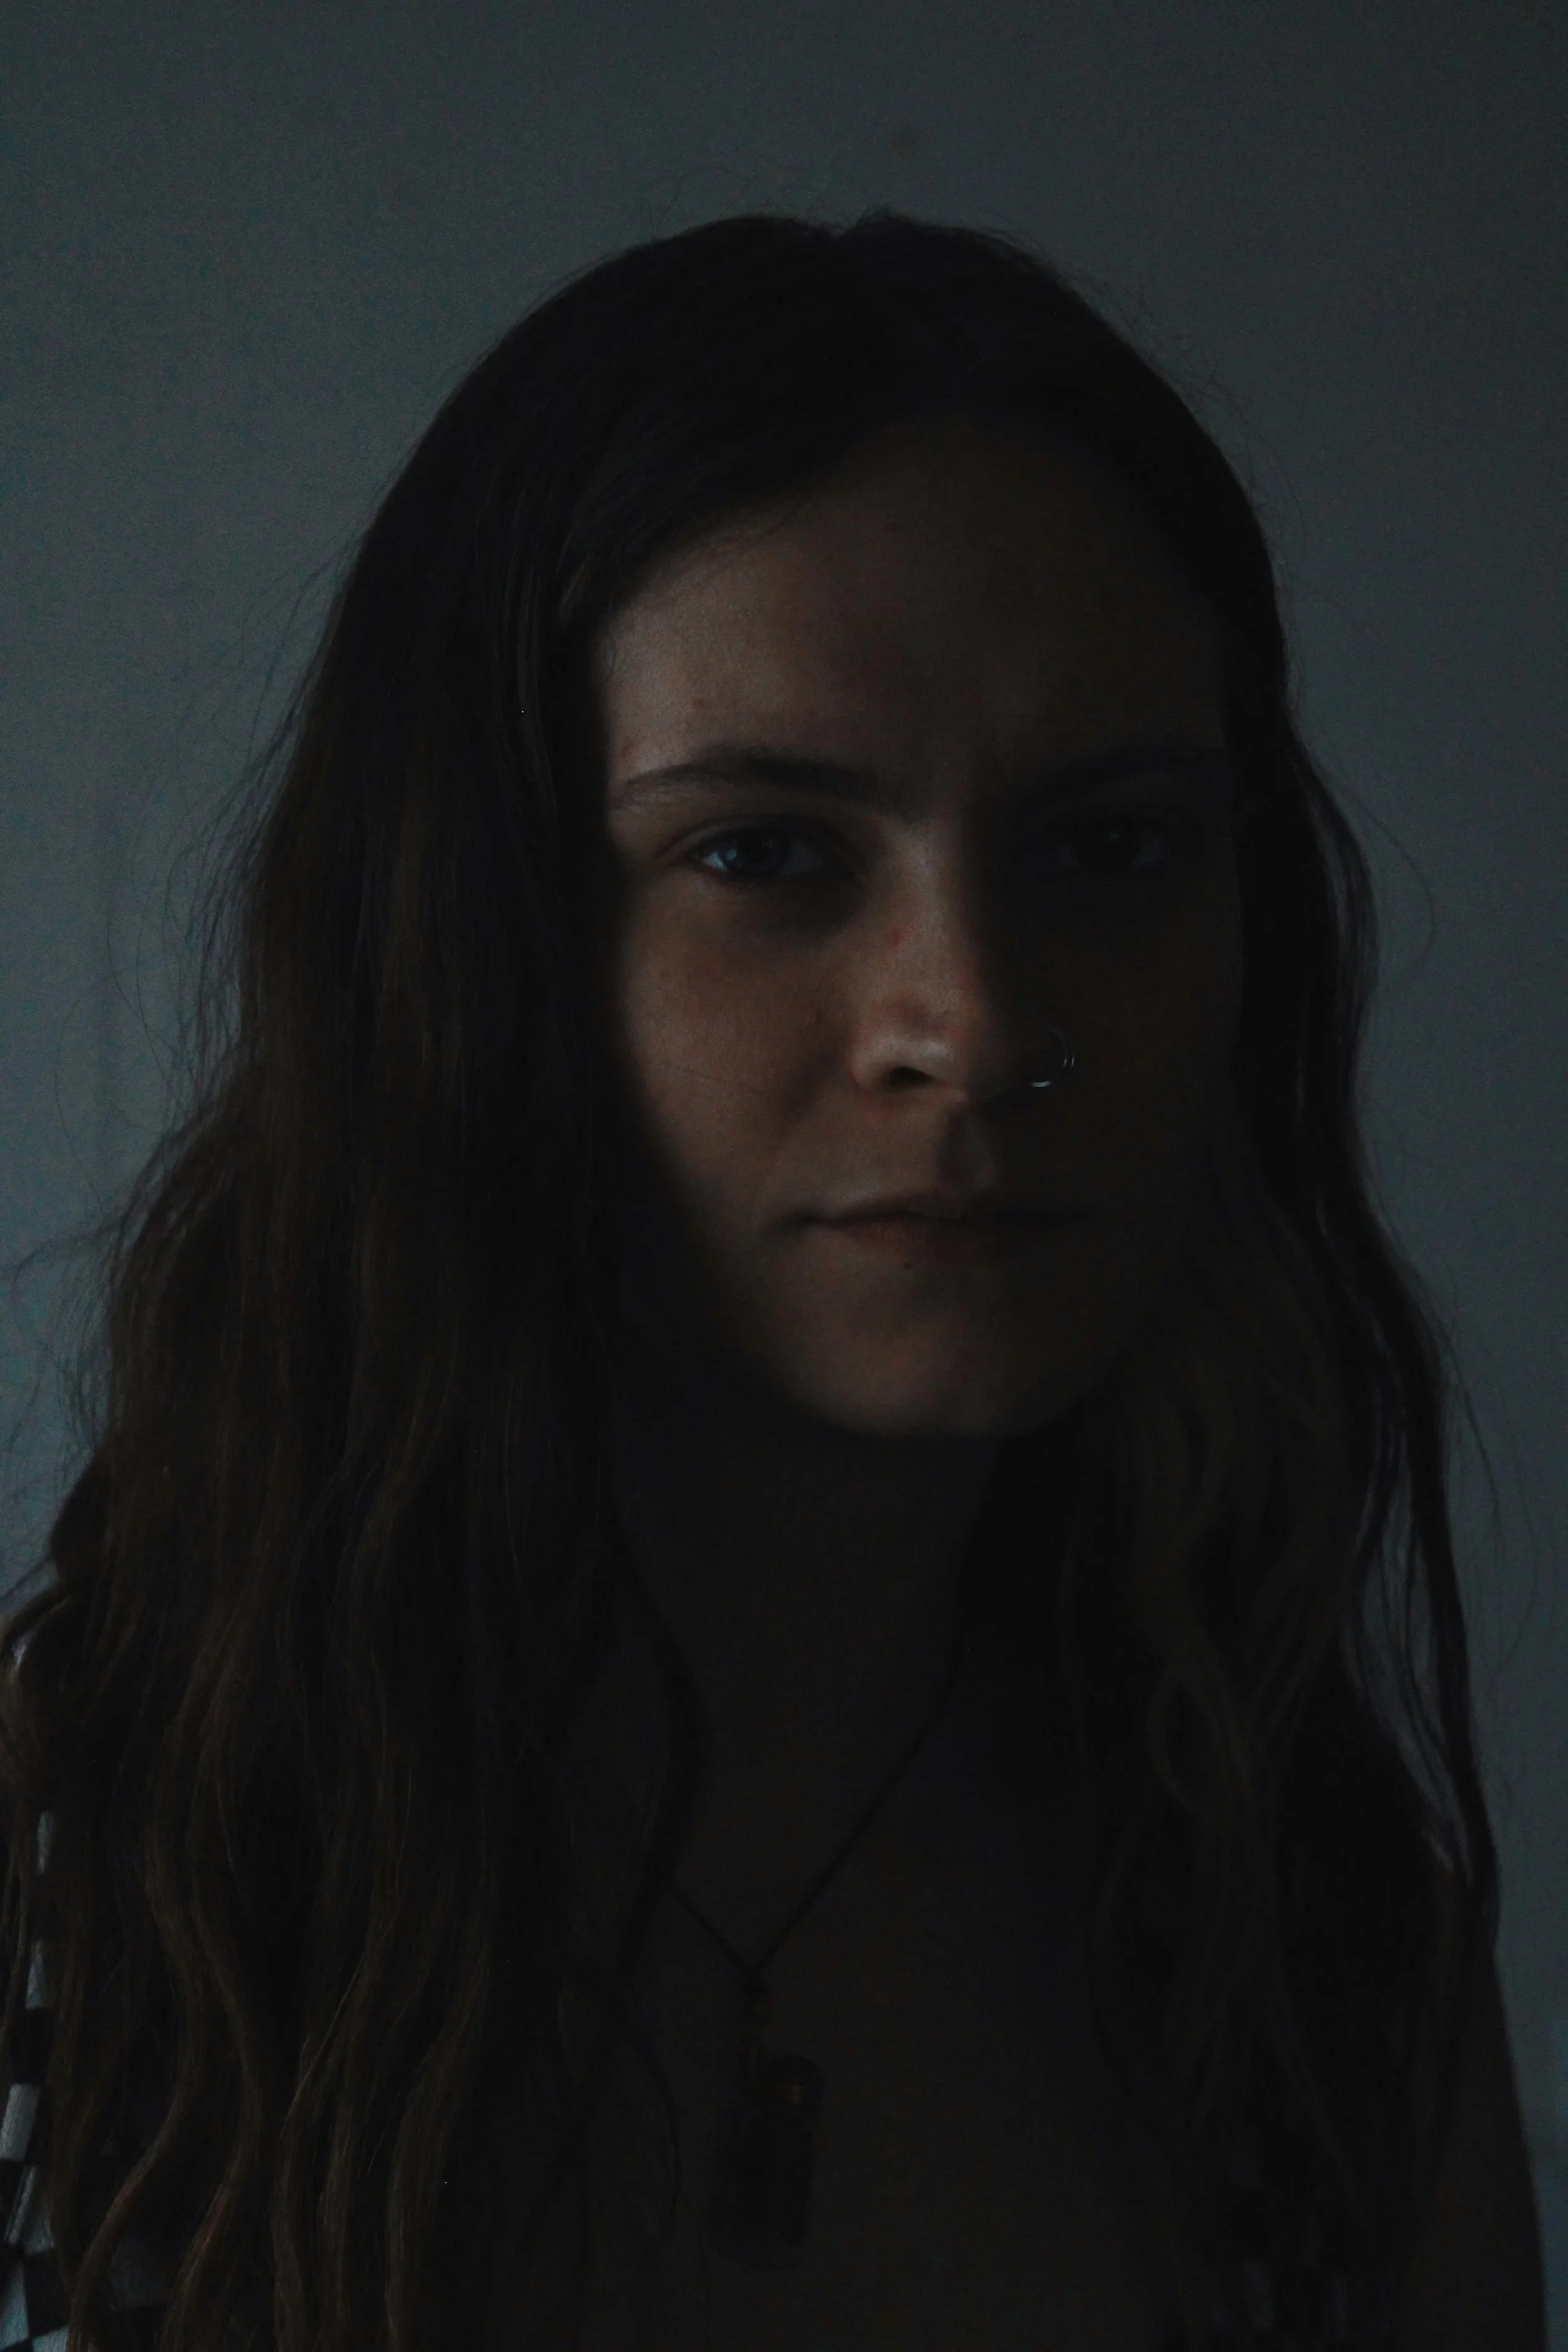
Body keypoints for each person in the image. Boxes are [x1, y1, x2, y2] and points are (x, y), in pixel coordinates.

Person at [0, 211, 1544, 2352]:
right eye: (762, 851)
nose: (970, 1024)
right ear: (474, 940)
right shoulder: (75, 1889)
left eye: (1108, 845)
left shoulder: (1309, 1965)